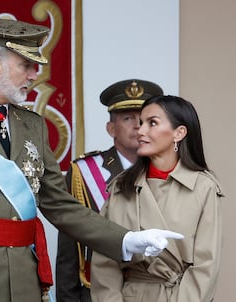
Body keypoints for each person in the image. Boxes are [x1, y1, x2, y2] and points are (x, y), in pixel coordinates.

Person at [0, 18, 183, 302]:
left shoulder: (32, 126)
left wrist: (126, 240)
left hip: (24, 284)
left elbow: (60, 205)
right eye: (25, 65)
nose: (34, 74)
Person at [90, 95, 223, 302]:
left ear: (179, 133)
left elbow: (206, 266)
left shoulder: (203, 188)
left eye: (152, 123)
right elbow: (105, 262)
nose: (140, 130)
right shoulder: (121, 186)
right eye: (141, 123)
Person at [56, 79, 164, 302]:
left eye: (144, 119)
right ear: (111, 128)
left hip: (156, 291)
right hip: (97, 292)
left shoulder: (169, 170)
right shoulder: (84, 172)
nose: (138, 125)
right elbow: (69, 252)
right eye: (128, 118)